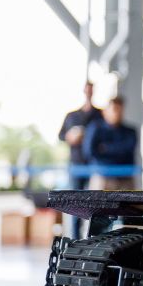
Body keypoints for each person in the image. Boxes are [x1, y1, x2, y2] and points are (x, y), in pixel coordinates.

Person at [59, 81, 102, 236]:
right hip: (76, 165)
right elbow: (61, 136)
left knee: (96, 204)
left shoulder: (100, 115)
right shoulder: (72, 116)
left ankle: (94, 237)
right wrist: (71, 136)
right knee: (76, 203)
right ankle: (76, 238)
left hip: (95, 165)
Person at [83, 96, 138, 190]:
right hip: (102, 178)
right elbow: (89, 152)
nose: (118, 113)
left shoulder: (130, 131)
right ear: (105, 112)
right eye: (115, 109)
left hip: (125, 179)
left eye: (121, 110)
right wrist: (118, 151)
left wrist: (105, 148)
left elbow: (128, 150)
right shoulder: (95, 128)